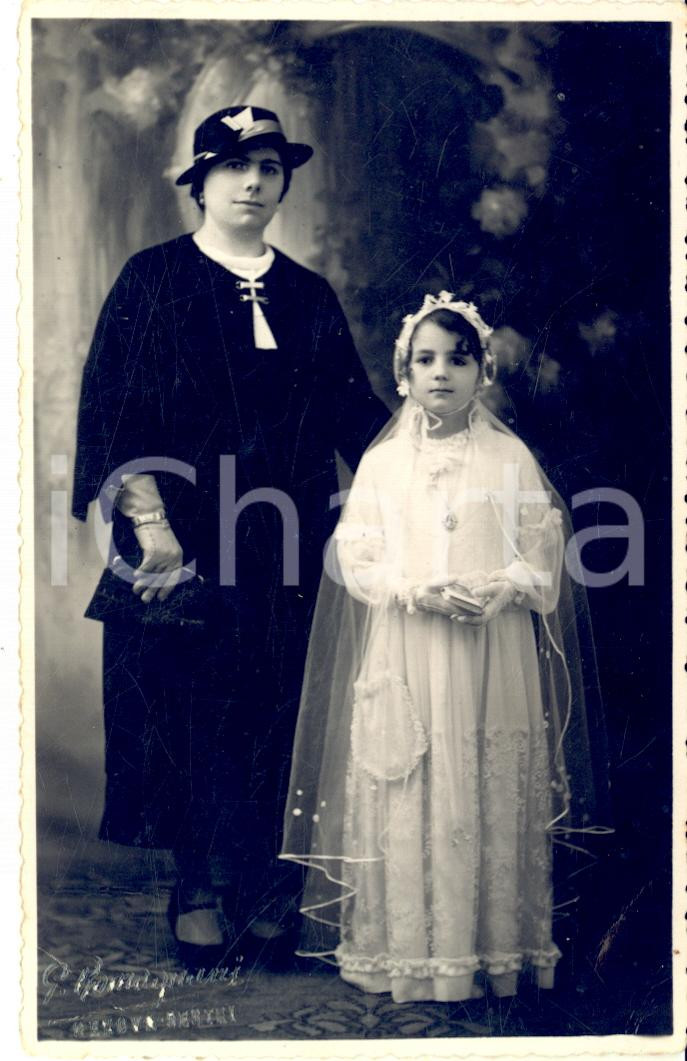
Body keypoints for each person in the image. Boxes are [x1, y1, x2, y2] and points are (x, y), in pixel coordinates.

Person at [72, 105, 389, 969]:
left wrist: (441, 462)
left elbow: (354, 415)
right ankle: (197, 887)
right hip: (182, 539)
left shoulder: (308, 294)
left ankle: (265, 884)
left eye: (269, 168)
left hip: (289, 540)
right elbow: (112, 411)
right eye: (234, 166)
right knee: (189, 713)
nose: (253, 182)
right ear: (201, 181)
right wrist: (151, 527)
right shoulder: (152, 278)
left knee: (276, 711)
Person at [280, 291, 610, 1003]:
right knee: (411, 781)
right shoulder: (384, 464)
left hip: (491, 650)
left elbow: (541, 551)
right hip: (410, 644)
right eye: (425, 360)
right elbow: (356, 555)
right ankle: (407, 953)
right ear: (403, 374)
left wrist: (503, 587)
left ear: (482, 371)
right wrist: (411, 589)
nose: (441, 373)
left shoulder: (509, 456)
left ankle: (487, 952)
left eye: (458, 360)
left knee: (483, 782)